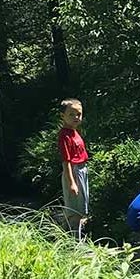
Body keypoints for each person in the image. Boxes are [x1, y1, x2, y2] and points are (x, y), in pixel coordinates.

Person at [58, 98, 89, 240]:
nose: (76, 117)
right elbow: (66, 161)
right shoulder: (64, 135)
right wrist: (71, 182)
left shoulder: (75, 132)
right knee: (75, 210)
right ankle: (74, 243)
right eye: (71, 114)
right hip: (74, 172)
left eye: (79, 114)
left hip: (82, 171)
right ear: (63, 116)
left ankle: (67, 238)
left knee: (82, 209)